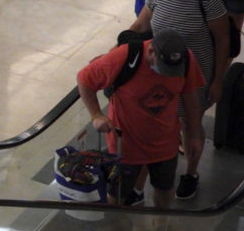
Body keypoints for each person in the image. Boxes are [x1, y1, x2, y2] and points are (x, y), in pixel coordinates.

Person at [130, 0, 229, 200]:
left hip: (195, 79)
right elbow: (141, 24)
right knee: (157, 121)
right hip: (161, 76)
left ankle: (190, 173)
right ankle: (146, 178)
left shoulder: (207, 1)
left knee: (191, 125)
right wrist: (117, 49)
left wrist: (218, 80)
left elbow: (222, 41)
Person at [77, 29, 205, 210]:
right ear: (151, 51)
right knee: (117, 195)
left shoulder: (186, 59)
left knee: (165, 187)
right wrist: (96, 115)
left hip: (165, 144)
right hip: (125, 146)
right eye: (163, 66)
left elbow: (190, 97)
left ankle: (160, 224)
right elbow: (84, 79)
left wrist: (193, 134)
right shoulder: (125, 56)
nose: (166, 74)